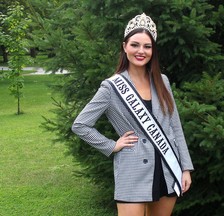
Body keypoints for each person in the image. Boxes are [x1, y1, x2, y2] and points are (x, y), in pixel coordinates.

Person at [71, 13, 194, 216]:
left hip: (167, 166)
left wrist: (185, 168)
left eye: (147, 46)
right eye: (135, 45)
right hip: (133, 168)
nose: (141, 51)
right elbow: (81, 125)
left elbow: (175, 126)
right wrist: (112, 145)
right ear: (124, 46)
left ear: (153, 51)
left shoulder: (162, 81)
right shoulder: (111, 87)